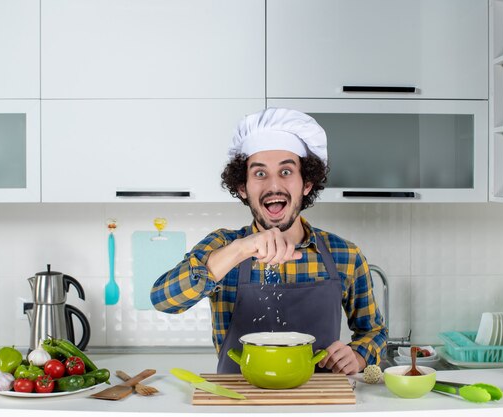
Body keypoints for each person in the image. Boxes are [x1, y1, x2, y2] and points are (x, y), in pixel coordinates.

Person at [151, 108, 387, 375]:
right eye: (260, 174)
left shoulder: (345, 255)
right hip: (239, 402)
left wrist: (358, 355)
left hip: (320, 401)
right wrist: (241, 249)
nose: (274, 185)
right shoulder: (223, 246)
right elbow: (163, 300)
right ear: (243, 187)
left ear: (306, 183)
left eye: (286, 171)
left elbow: (374, 331)